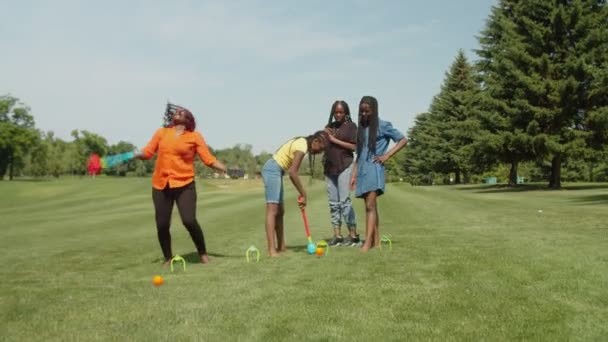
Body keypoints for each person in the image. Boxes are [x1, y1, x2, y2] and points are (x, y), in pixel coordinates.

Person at [136, 103, 227, 265]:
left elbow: (207, 158)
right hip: (161, 184)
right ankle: (168, 258)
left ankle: (203, 254)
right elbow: (148, 152)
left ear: (188, 120)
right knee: (162, 224)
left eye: (182, 112)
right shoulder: (161, 133)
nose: (177, 112)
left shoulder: (194, 136)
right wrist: (138, 154)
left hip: (185, 183)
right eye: (176, 112)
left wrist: (223, 167)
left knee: (189, 220)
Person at [351, 96, 408, 252]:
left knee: (370, 205)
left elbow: (403, 140)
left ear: (374, 110)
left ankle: (367, 243)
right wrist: (354, 174)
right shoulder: (361, 128)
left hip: (374, 169)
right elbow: (359, 154)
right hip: (362, 170)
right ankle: (375, 241)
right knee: (370, 207)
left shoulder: (383, 125)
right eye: (362, 111)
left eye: (367, 111)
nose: (364, 114)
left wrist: (387, 155)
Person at [262, 131, 329, 257]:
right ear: (315, 141)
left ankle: (281, 246)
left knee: (280, 211)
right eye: (320, 149)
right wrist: (304, 193)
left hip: (277, 170)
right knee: (272, 209)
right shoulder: (302, 145)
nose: (319, 152)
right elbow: (293, 172)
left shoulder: (303, 143)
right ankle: (271, 250)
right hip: (272, 169)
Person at [323, 100, 359, 247]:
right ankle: (337, 235)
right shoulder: (328, 127)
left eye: (341, 112)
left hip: (345, 165)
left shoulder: (351, 127)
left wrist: (333, 139)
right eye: (336, 112)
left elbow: (355, 147)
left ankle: (353, 235)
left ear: (346, 113)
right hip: (329, 168)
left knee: (344, 202)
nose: (338, 114)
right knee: (333, 203)